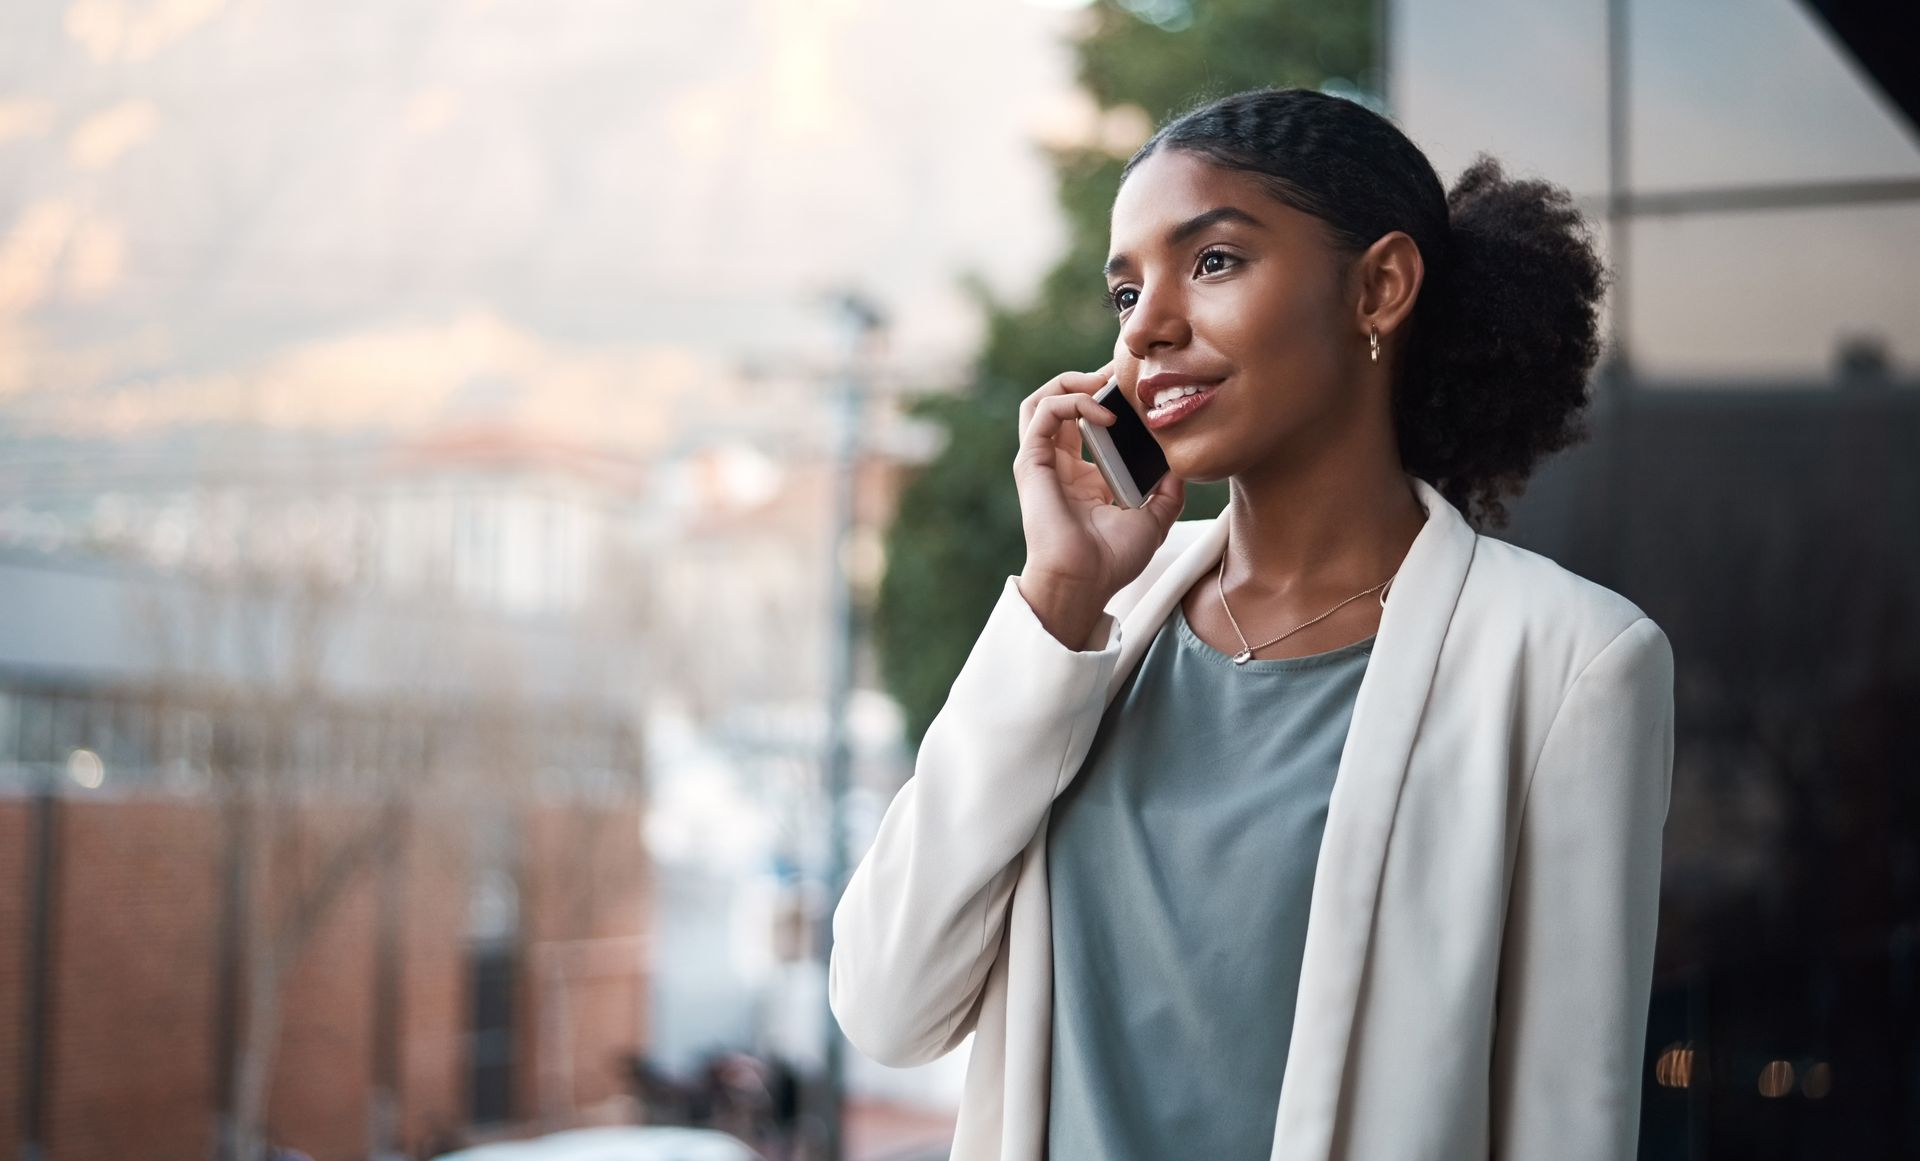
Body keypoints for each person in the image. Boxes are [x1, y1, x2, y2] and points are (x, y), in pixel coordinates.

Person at [828, 86, 1674, 1161]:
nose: (1147, 327)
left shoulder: (1569, 665)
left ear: (1379, 286)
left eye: (1213, 262)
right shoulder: (1092, 630)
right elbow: (887, 1004)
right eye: (1124, 292)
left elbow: (1569, 1123)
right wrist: (1060, 595)